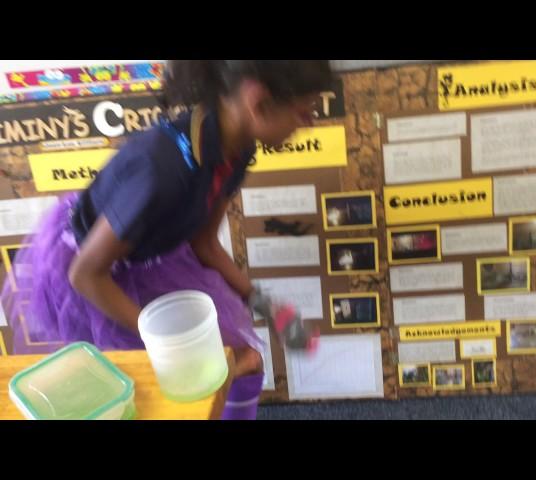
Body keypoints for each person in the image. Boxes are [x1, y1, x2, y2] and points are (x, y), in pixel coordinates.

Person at [1, 60, 333, 420]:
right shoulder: (162, 170)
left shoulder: (235, 151)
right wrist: (174, 347)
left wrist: (271, 308)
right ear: (258, 101)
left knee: (244, 364)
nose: (310, 123)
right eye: (304, 111)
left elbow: (204, 244)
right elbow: (84, 274)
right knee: (170, 392)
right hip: (96, 279)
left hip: (150, 258)